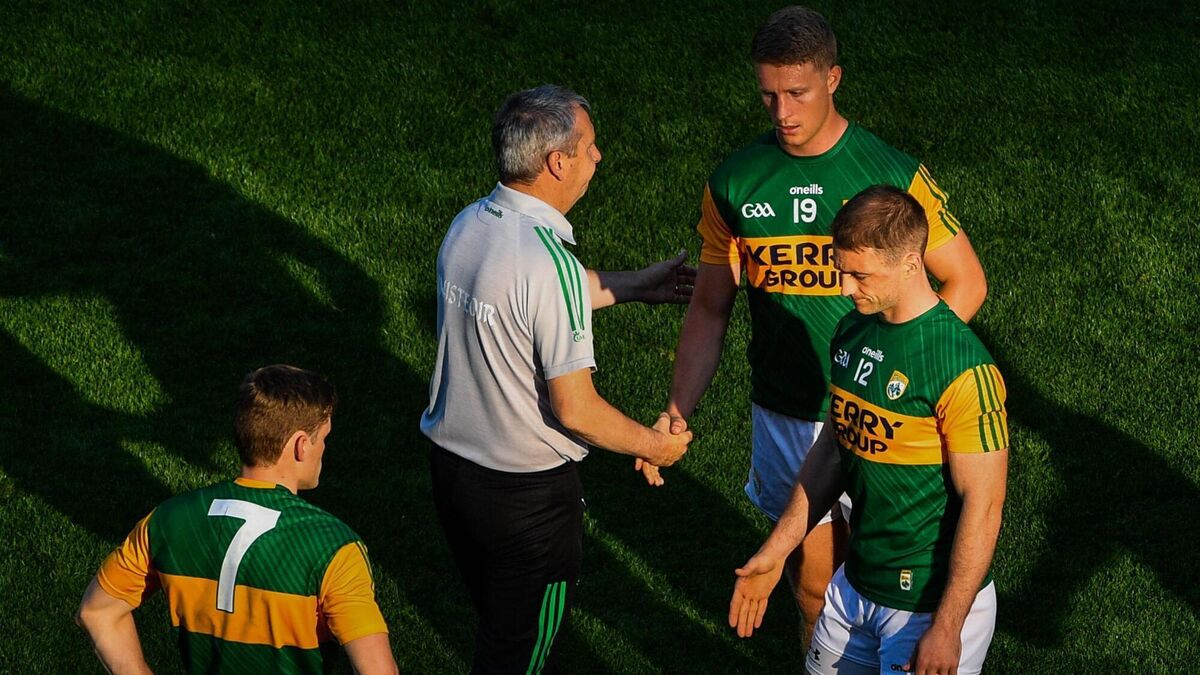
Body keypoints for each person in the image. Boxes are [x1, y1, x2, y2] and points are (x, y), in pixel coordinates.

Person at [650, 5, 989, 644]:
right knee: (812, 584)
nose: (781, 113)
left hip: (884, 412)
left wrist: (908, 361)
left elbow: (966, 279)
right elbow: (711, 308)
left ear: (833, 78)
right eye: (768, 95)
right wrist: (678, 408)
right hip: (785, 408)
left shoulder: (890, 174)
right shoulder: (734, 181)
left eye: (797, 93)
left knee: (892, 572)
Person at [420, 84, 695, 674]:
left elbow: (526, 301)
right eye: (589, 146)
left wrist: (634, 284)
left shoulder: (470, 224)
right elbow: (576, 409)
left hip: (453, 477)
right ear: (557, 163)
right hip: (528, 505)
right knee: (517, 657)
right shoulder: (549, 263)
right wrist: (657, 447)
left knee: (496, 630)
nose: (598, 157)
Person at [729, 185, 1008, 675]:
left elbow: (983, 507)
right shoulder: (852, 331)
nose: (844, 288)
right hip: (854, 586)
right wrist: (777, 549)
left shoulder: (963, 368)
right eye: (841, 270)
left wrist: (948, 627)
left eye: (859, 275)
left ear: (910, 264)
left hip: (925, 607)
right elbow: (834, 450)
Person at [76, 365, 398, 675]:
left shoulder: (165, 520)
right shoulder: (334, 547)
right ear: (301, 445)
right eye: (324, 438)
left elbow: (97, 612)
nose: (324, 447)